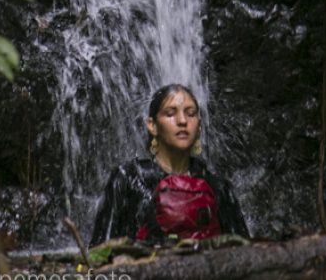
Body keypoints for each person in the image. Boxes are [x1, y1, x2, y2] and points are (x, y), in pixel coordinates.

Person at [89, 84, 249, 246]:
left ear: (199, 126)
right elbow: (100, 249)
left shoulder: (218, 187)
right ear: (152, 125)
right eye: (170, 114)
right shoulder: (128, 179)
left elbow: (244, 250)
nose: (182, 121)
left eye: (191, 114)